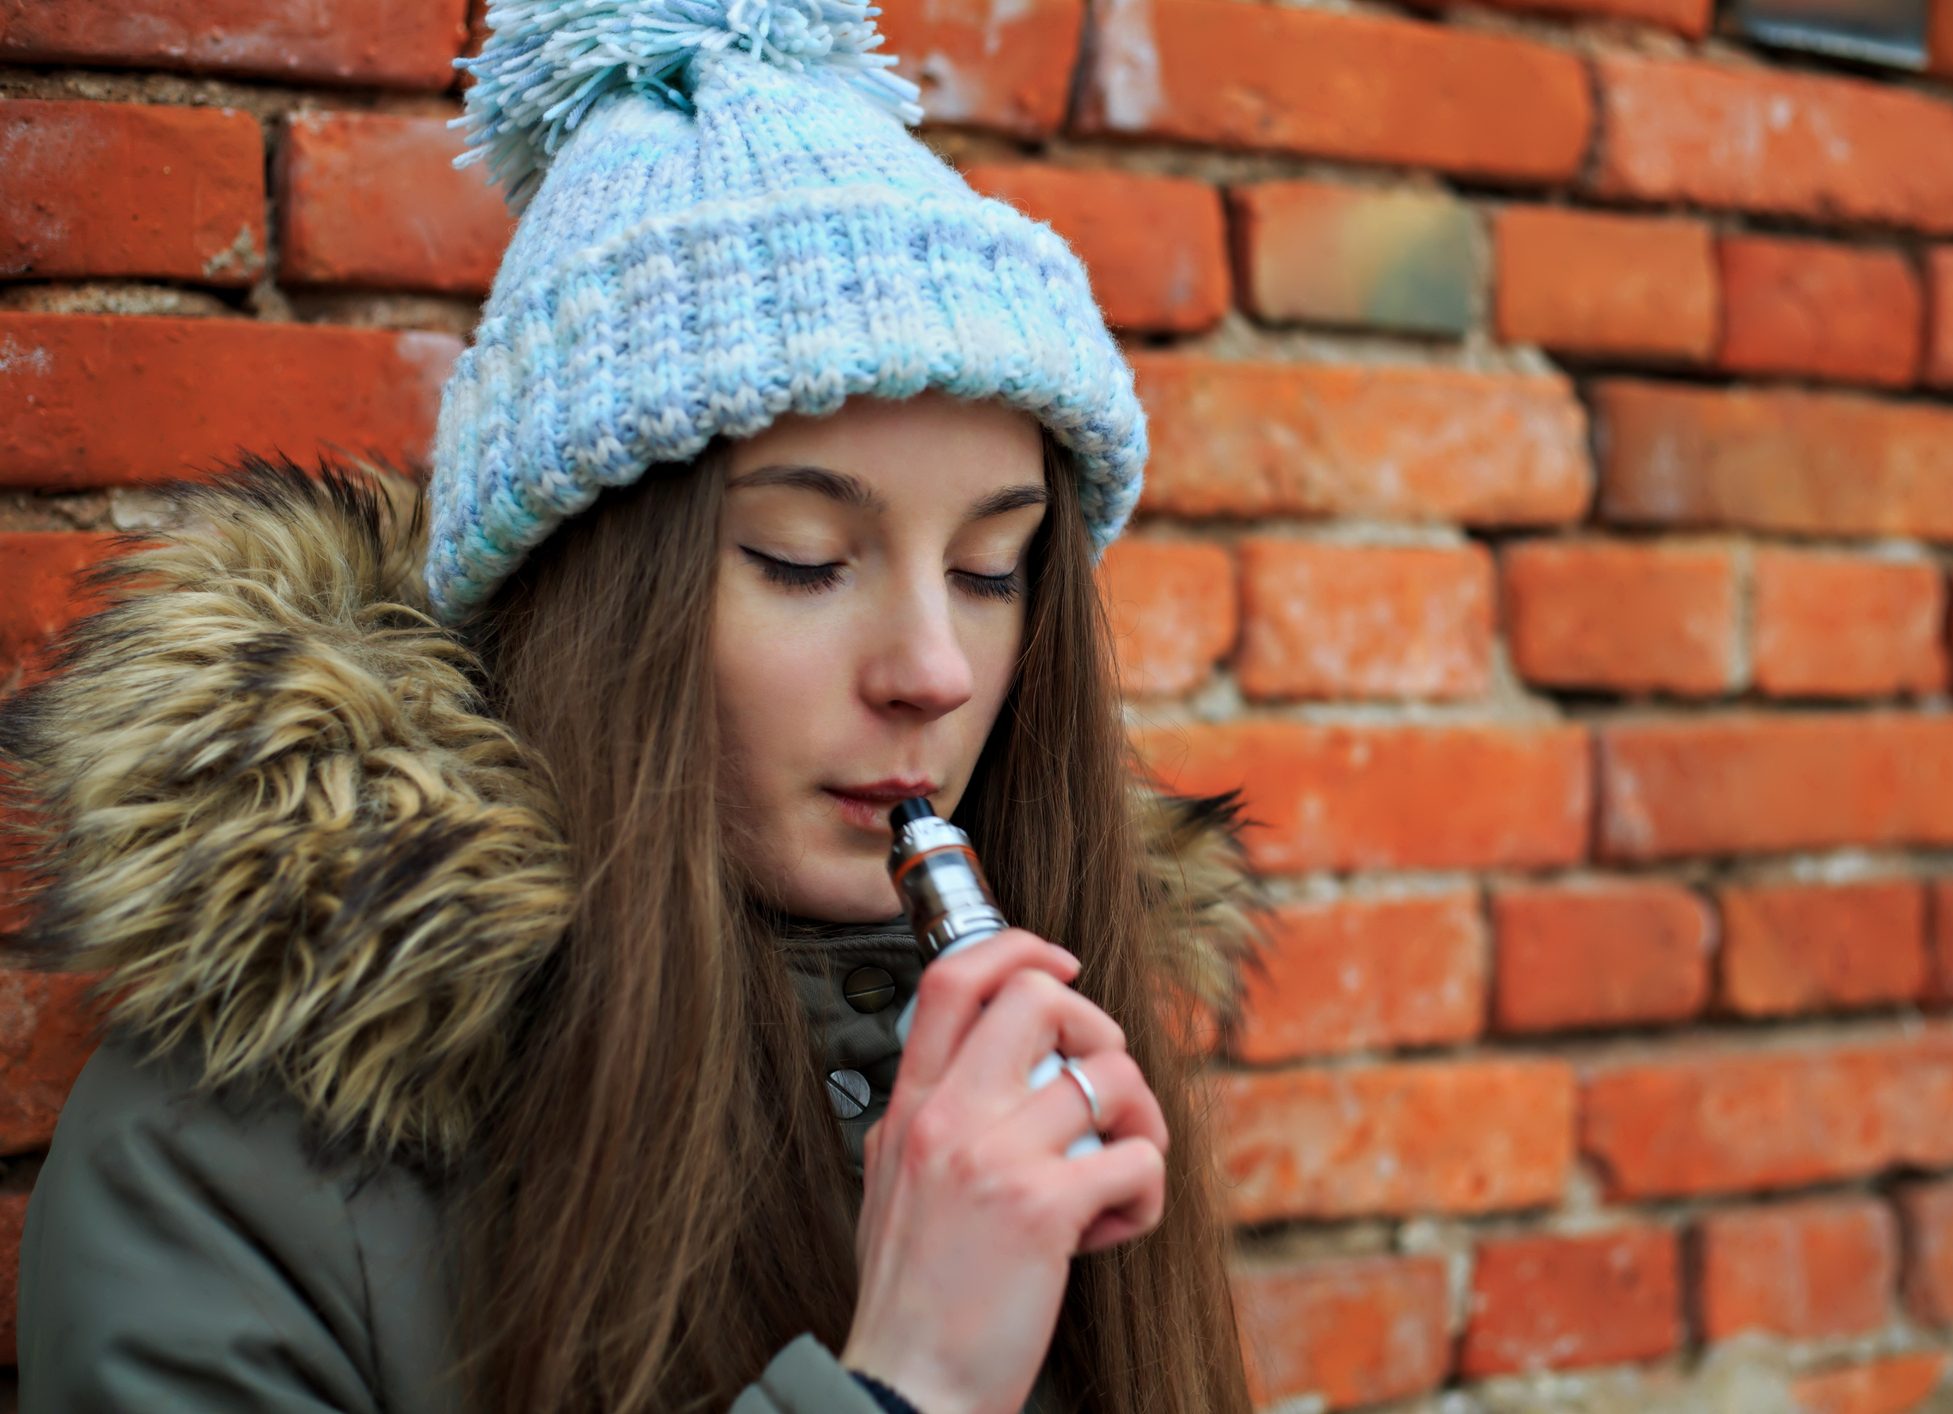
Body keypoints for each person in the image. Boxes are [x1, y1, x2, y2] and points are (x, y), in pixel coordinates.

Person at [1, 1, 1269, 1411]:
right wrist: (909, 1380)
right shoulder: (226, 1164)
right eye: (801, 559)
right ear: (593, 599)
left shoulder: (1056, 1087)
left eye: (990, 567)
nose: (936, 667)